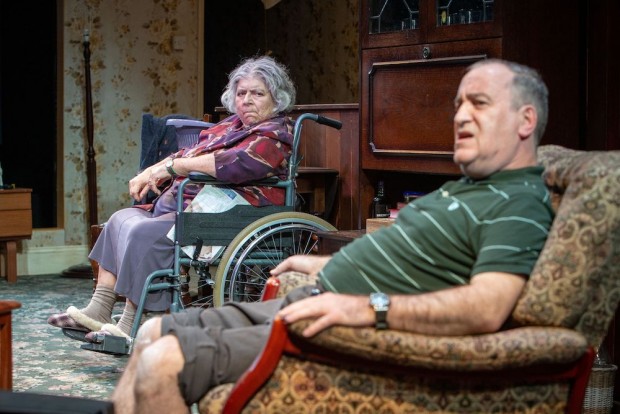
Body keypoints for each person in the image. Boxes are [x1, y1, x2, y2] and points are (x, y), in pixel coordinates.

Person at [112, 58, 554, 413]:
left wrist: (368, 306)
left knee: (160, 361)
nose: (460, 115)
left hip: (346, 328)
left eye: (478, 103)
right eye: (458, 104)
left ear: (525, 120)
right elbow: (417, 261)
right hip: (312, 298)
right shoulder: (463, 190)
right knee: (153, 335)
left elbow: (487, 308)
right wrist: (327, 263)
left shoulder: (519, 202)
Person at [47, 55, 297, 338]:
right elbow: (185, 154)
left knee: (145, 233)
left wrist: (174, 168)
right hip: (189, 206)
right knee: (120, 219)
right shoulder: (230, 127)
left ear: (276, 98)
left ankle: (128, 326)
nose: (247, 100)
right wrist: (151, 171)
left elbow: (234, 164)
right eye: (241, 93)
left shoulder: (274, 134)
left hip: (232, 213)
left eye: (257, 93)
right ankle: (99, 308)